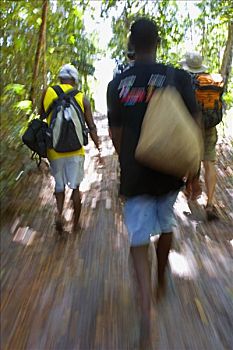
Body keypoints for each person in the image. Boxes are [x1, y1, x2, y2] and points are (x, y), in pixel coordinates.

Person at [107, 18, 199, 348]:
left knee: (137, 241)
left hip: (135, 173)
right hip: (170, 172)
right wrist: (195, 172)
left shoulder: (117, 84)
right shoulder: (177, 77)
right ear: (157, 42)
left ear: (132, 44)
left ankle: (146, 313)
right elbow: (194, 125)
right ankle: (162, 275)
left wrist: (127, 162)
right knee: (166, 221)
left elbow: (115, 134)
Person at [41, 64, 101, 233]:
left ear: (60, 78)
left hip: (55, 149)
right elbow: (91, 126)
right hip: (76, 152)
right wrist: (98, 148)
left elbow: (41, 117)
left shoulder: (48, 92)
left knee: (59, 186)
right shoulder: (82, 97)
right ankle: (76, 225)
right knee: (75, 187)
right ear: (74, 80)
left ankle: (59, 215)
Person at [181, 52, 220, 220]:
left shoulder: (186, 81)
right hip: (210, 126)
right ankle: (210, 204)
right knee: (209, 163)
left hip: (191, 127)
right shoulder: (211, 81)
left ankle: (190, 191)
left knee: (191, 160)